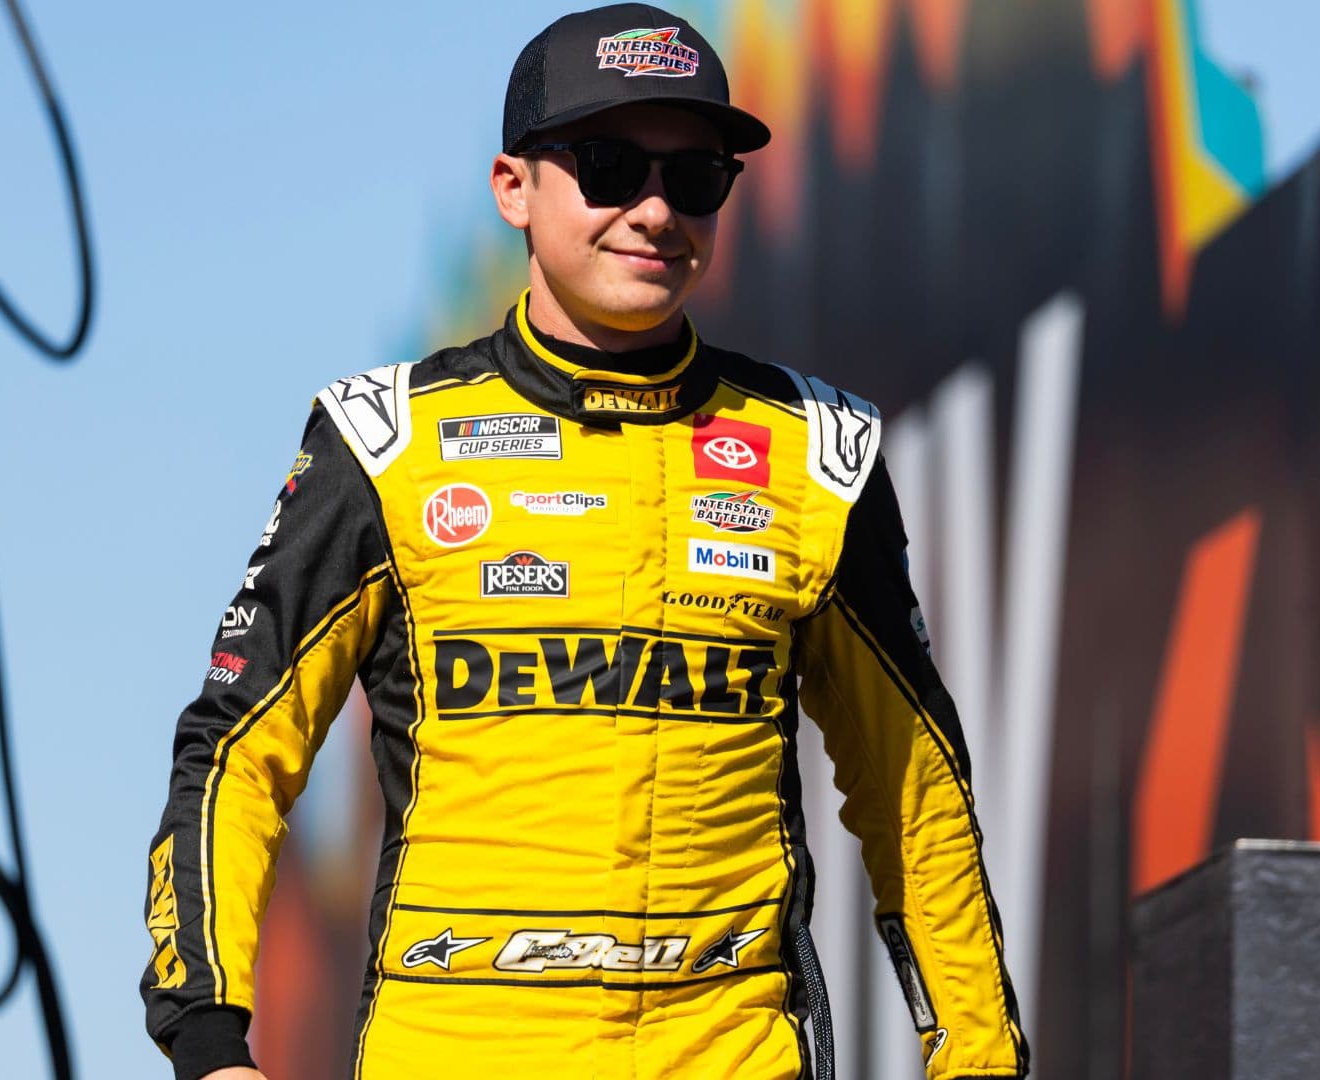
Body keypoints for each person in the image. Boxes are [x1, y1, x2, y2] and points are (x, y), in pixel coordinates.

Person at [140, 5, 1028, 1078]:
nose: (656, 211)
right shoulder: (384, 443)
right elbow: (237, 752)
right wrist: (207, 1038)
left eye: (696, 176)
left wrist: (979, 1058)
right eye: (609, 167)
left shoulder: (818, 452)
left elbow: (914, 785)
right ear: (513, 187)